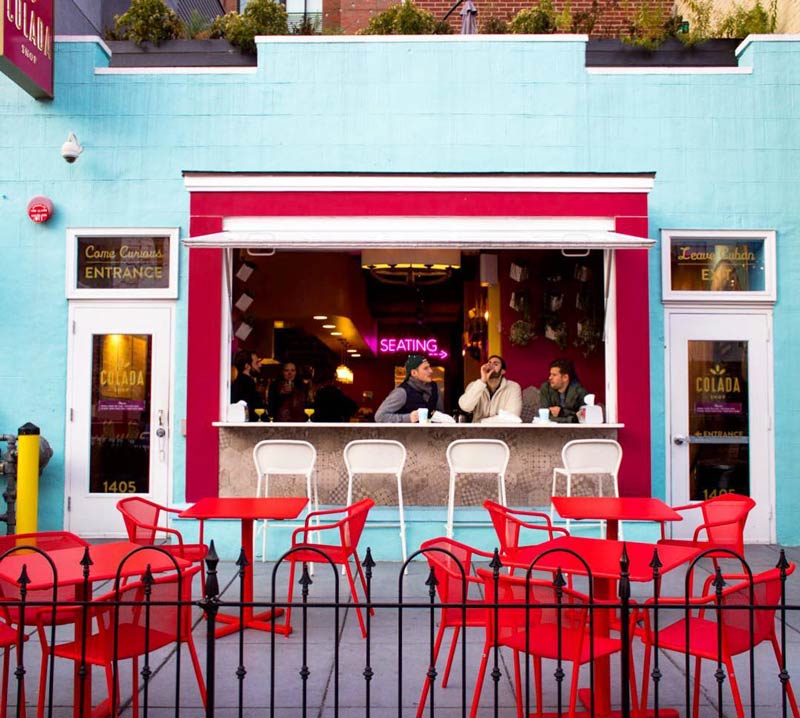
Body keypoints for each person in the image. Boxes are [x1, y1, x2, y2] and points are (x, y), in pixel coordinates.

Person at [375, 355, 444, 423]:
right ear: (414, 373)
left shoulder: (435, 388)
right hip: (407, 434)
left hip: (431, 433)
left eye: (429, 367)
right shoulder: (401, 392)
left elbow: (440, 414)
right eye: (426, 368)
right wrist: (408, 418)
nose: (431, 371)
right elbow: (380, 417)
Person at [458, 355, 522, 423]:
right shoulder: (474, 385)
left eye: (495, 364)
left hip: (502, 431)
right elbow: (465, 407)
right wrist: (482, 381)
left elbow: (512, 416)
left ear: (503, 371)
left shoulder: (513, 387)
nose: (491, 366)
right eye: (489, 363)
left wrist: (482, 422)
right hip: (477, 431)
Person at [539, 358, 588, 424]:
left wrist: (562, 412)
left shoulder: (579, 391)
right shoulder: (546, 388)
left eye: (554, 375)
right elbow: (545, 416)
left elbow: (583, 417)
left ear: (565, 377)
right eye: (550, 374)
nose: (550, 377)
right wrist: (571, 419)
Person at [230, 349, 265, 420]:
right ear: (247, 366)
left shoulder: (240, 383)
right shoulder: (246, 385)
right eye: (257, 362)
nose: (260, 365)